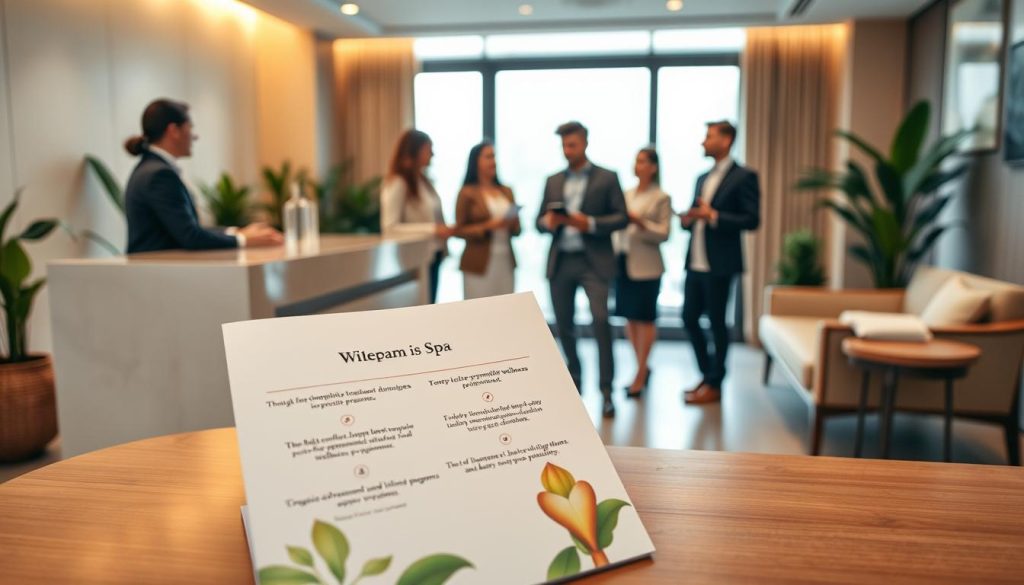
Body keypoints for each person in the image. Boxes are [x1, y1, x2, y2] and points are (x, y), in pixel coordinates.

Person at [537, 121, 628, 418]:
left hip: (595, 262)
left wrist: (587, 223)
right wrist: (547, 222)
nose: (567, 150)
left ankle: (607, 391)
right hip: (562, 260)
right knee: (564, 325)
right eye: (564, 145)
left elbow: (621, 217)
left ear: (585, 143)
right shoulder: (552, 180)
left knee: (601, 321)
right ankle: (574, 382)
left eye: (572, 145)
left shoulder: (607, 177)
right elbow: (539, 221)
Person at [124, 99, 282, 254]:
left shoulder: (151, 168)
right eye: (190, 128)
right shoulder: (159, 174)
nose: (195, 136)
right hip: (157, 268)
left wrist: (235, 232)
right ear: (174, 131)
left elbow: (185, 229)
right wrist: (244, 240)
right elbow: (190, 237)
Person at [681, 121, 761, 405]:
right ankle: (708, 375)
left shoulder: (744, 176)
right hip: (696, 261)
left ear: (726, 140)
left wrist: (714, 216)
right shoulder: (702, 178)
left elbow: (752, 219)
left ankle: (715, 383)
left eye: (709, 136)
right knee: (689, 318)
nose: (703, 142)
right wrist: (688, 219)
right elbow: (697, 216)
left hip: (721, 263)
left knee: (717, 322)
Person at [613, 147, 671, 398]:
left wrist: (641, 223)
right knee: (630, 317)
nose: (638, 166)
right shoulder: (626, 194)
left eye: (643, 162)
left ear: (654, 167)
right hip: (623, 262)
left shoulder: (661, 197)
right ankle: (642, 367)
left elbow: (664, 233)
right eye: (636, 161)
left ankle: (640, 373)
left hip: (647, 266)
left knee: (645, 318)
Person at [380, 129, 454, 304]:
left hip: (433, 254)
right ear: (414, 150)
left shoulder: (423, 181)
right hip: (414, 258)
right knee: (422, 306)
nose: (432, 154)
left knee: (431, 304)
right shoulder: (398, 182)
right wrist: (433, 229)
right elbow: (389, 228)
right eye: (428, 149)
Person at [454, 141, 521, 299]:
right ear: (476, 161)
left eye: (494, 156)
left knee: (506, 306)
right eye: (488, 157)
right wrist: (487, 227)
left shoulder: (506, 191)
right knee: (479, 307)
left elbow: (518, 230)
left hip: (505, 260)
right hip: (478, 263)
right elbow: (458, 230)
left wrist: (513, 222)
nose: (493, 161)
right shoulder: (467, 192)